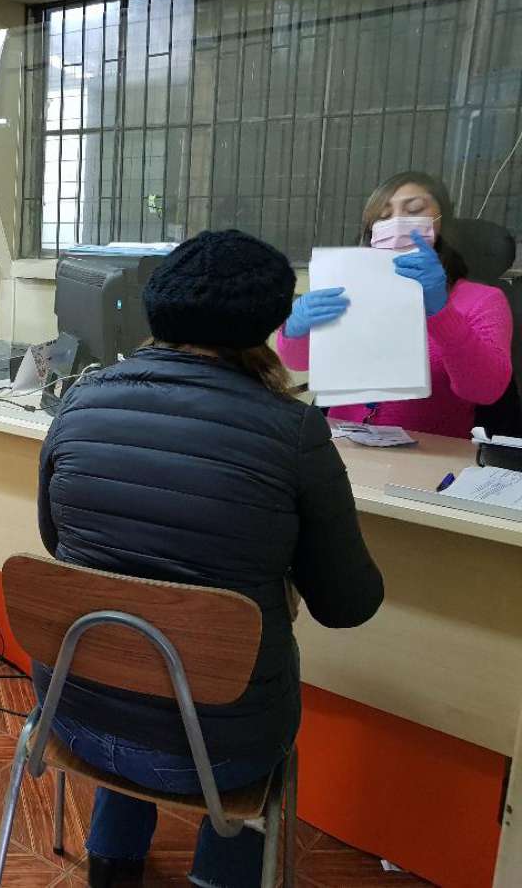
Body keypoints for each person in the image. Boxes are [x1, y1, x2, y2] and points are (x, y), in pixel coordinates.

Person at [37, 230, 384, 888]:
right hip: (223, 751)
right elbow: (348, 605)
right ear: (268, 325)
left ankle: (111, 866)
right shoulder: (294, 432)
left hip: (77, 714)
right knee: (203, 683)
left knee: (134, 648)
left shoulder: (78, 401)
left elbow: (57, 549)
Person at [278, 171, 513, 439]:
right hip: (344, 444)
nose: (398, 222)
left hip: (430, 455)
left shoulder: (482, 300)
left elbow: (486, 390)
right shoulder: (349, 286)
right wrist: (295, 327)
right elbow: (297, 361)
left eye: (414, 210)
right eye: (384, 215)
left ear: (441, 223)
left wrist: (442, 314)